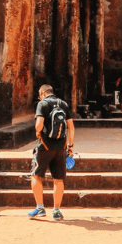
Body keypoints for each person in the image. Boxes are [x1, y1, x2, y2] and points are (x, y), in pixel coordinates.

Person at [29, 84, 74, 220]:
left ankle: (40, 208)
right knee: (58, 179)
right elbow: (71, 127)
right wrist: (70, 146)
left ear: (42, 93)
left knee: (36, 175)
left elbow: (39, 125)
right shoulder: (64, 104)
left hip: (45, 146)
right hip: (61, 147)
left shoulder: (42, 104)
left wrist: (38, 132)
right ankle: (56, 211)